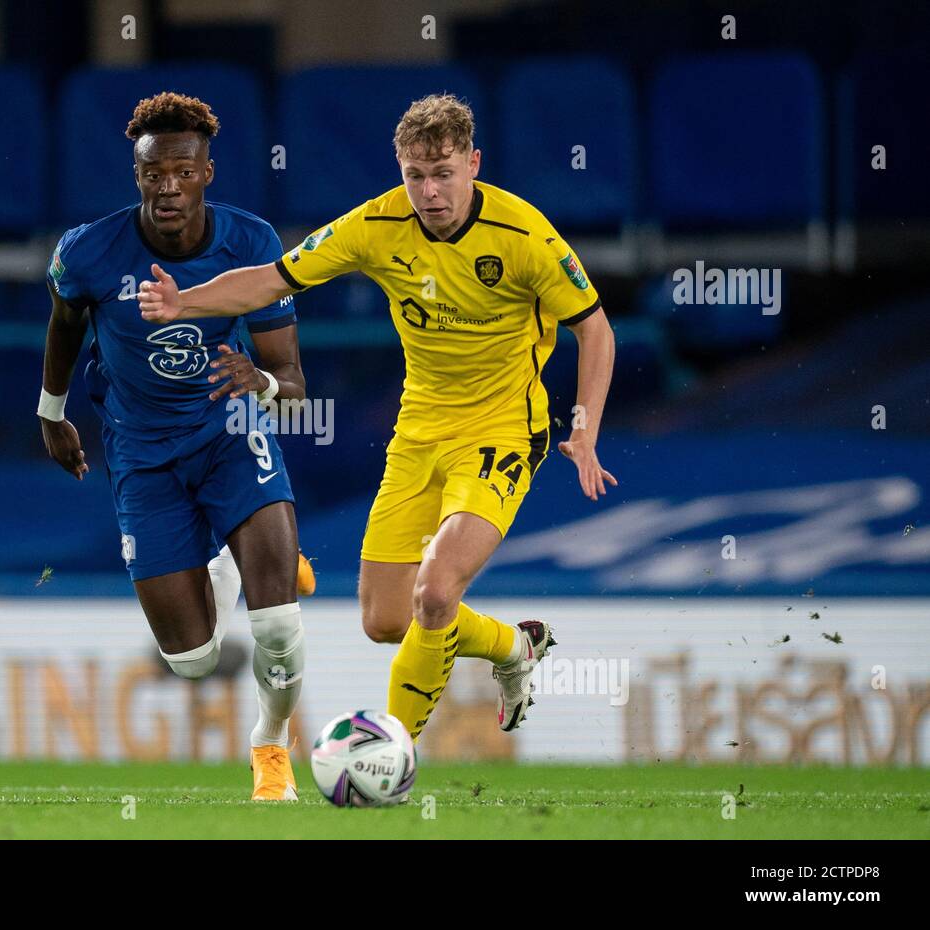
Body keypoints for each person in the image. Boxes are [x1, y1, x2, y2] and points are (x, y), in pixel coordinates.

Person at [138, 94, 617, 741]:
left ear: (473, 164)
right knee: (387, 621)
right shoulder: (375, 226)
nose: (429, 191)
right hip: (418, 430)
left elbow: (595, 330)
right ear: (400, 169)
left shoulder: (523, 235)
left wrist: (583, 428)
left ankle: (390, 753)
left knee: (437, 591)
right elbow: (272, 279)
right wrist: (181, 302)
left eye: (443, 173)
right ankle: (513, 647)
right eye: (415, 175)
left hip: (502, 430)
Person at [39, 92, 311, 798]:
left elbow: (293, 383)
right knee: (190, 660)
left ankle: (272, 748)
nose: (168, 188)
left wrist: (264, 384)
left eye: (182, 173)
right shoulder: (89, 252)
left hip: (228, 432)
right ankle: (228, 558)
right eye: (153, 173)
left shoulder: (251, 244)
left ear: (207, 173)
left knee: (277, 626)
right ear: (137, 175)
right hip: (140, 453)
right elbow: (66, 324)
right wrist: (51, 410)